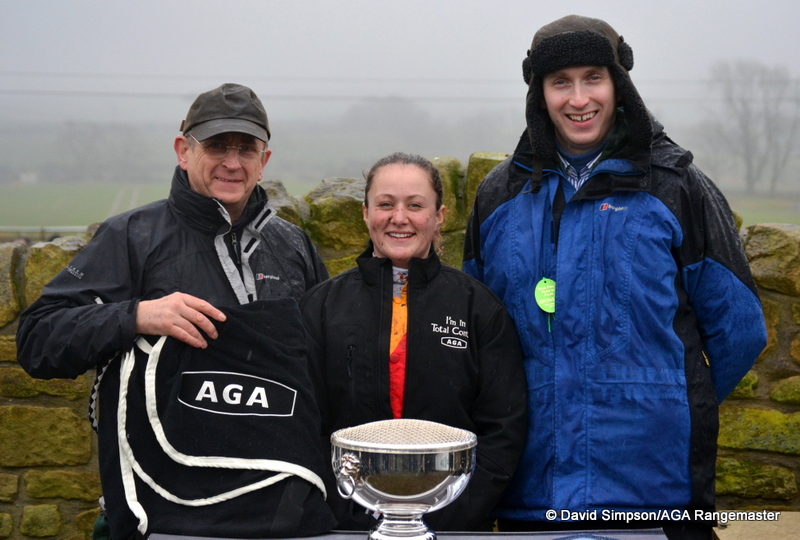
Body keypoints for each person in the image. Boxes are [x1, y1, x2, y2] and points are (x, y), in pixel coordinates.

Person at [463, 15, 767, 540]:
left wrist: (670, 403)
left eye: (592, 78)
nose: (578, 98)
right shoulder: (500, 195)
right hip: (530, 493)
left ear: (619, 84)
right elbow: (477, 333)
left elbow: (741, 330)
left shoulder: (678, 186)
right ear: (539, 93)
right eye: (560, 82)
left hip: (655, 494)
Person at [16, 83, 334, 539]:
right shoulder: (131, 236)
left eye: (246, 148)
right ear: (183, 151)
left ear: (264, 162)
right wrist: (137, 315)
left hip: (277, 511)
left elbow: (317, 368)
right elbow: (37, 340)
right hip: (162, 515)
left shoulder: (292, 244)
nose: (232, 162)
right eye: (217, 146)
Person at [300, 152, 528, 531]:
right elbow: (304, 424)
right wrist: (350, 514)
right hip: (346, 525)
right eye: (385, 204)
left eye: (415, 205)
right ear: (365, 213)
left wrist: (450, 514)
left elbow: (505, 427)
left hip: (453, 525)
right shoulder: (321, 308)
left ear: (439, 216)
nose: (399, 218)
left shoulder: (478, 308)